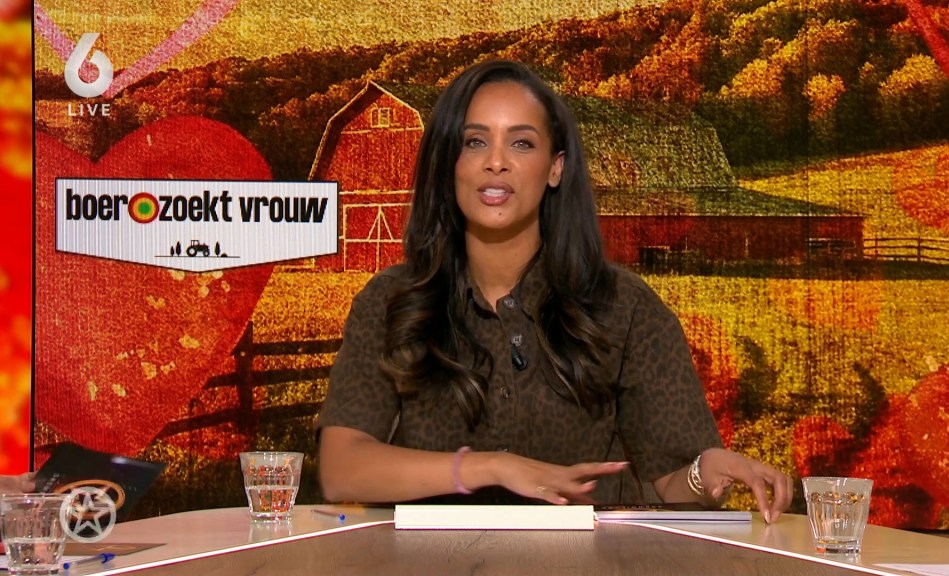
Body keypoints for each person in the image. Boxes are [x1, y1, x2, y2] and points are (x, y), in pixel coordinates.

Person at [317, 59, 793, 523]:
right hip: (431, 561)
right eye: (475, 141)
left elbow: (673, 479)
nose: (496, 162)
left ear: (555, 168)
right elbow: (341, 470)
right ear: (448, 165)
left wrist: (703, 472)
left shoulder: (624, 308)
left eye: (521, 143)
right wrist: (492, 467)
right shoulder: (391, 301)